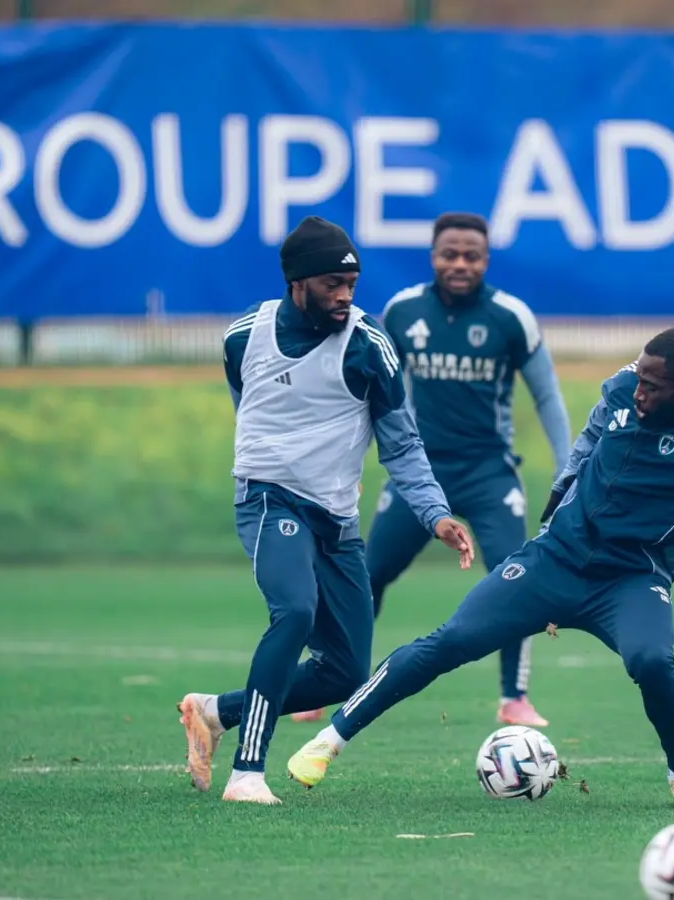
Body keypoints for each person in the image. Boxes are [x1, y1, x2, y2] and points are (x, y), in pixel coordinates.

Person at [283, 326, 674, 811]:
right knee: (450, 640)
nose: (638, 391)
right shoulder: (623, 388)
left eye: (652, 387)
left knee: (654, 663)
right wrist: (565, 483)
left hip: (632, 579)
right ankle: (330, 741)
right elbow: (592, 435)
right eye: (638, 378)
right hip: (554, 560)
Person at [176, 216, 475, 806]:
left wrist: (434, 514)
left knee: (344, 672)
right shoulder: (243, 337)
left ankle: (213, 713)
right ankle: (247, 775)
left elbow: (402, 444)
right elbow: (254, 409)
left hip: (336, 520)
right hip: (267, 500)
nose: (344, 295)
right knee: (292, 611)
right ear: (297, 282)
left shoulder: (368, 346)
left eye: (352, 282)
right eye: (332, 283)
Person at [291, 212, 571, 729]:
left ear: (486, 260)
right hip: (419, 474)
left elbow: (548, 394)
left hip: (491, 472)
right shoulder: (402, 311)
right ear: (433, 257)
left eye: (472, 256)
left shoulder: (512, 317)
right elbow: (368, 391)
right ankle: (322, 682)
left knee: (516, 577)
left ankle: (514, 696)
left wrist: (567, 466)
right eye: (450, 254)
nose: (460, 264)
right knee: (368, 574)